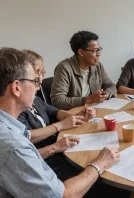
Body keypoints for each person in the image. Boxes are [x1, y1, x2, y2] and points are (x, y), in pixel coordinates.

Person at [0, 48, 120, 197]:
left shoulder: (10, 127)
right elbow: (63, 195)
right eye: (34, 80)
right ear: (16, 88)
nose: (39, 84)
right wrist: (99, 164)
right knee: (112, 186)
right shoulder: (14, 146)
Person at [18, 50, 96, 181]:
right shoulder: (18, 107)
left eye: (43, 71)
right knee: (91, 169)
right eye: (39, 71)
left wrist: (77, 115)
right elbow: (26, 137)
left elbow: (52, 111)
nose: (41, 76)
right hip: (46, 160)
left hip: (58, 147)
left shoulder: (35, 98)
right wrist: (59, 126)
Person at [51, 30, 117, 110]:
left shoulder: (97, 66)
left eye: (99, 49)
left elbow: (110, 85)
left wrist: (107, 94)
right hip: (73, 115)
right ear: (81, 52)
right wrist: (88, 99)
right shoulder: (64, 68)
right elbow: (58, 101)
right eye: (95, 50)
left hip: (93, 111)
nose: (99, 54)